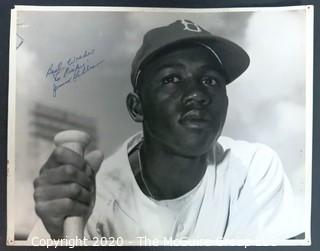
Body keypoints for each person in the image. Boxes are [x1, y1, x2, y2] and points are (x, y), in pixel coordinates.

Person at [30, 19, 303, 242]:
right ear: (137, 107)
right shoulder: (87, 195)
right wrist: (56, 236)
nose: (197, 94)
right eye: (171, 79)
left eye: (210, 80)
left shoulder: (253, 168)